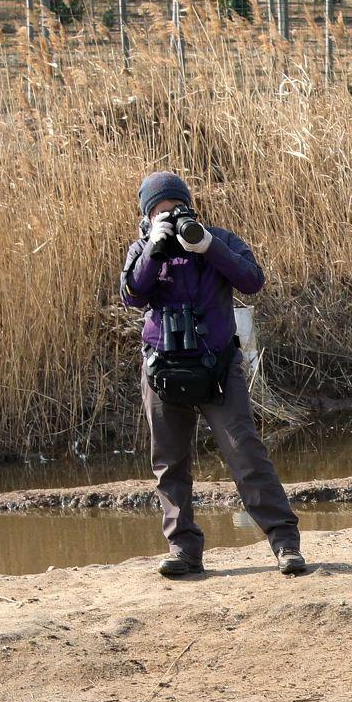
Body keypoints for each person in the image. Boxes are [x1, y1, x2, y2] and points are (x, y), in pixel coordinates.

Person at [121, 170, 308, 580]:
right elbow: (133, 294)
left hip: (218, 368)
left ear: (192, 206)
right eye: (161, 211)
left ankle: (285, 543)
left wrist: (207, 246)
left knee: (245, 452)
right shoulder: (142, 248)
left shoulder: (217, 239)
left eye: (178, 207)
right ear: (148, 216)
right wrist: (154, 248)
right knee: (169, 463)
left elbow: (252, 280)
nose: (172, 216)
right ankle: (184, 550)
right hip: (163, 371)